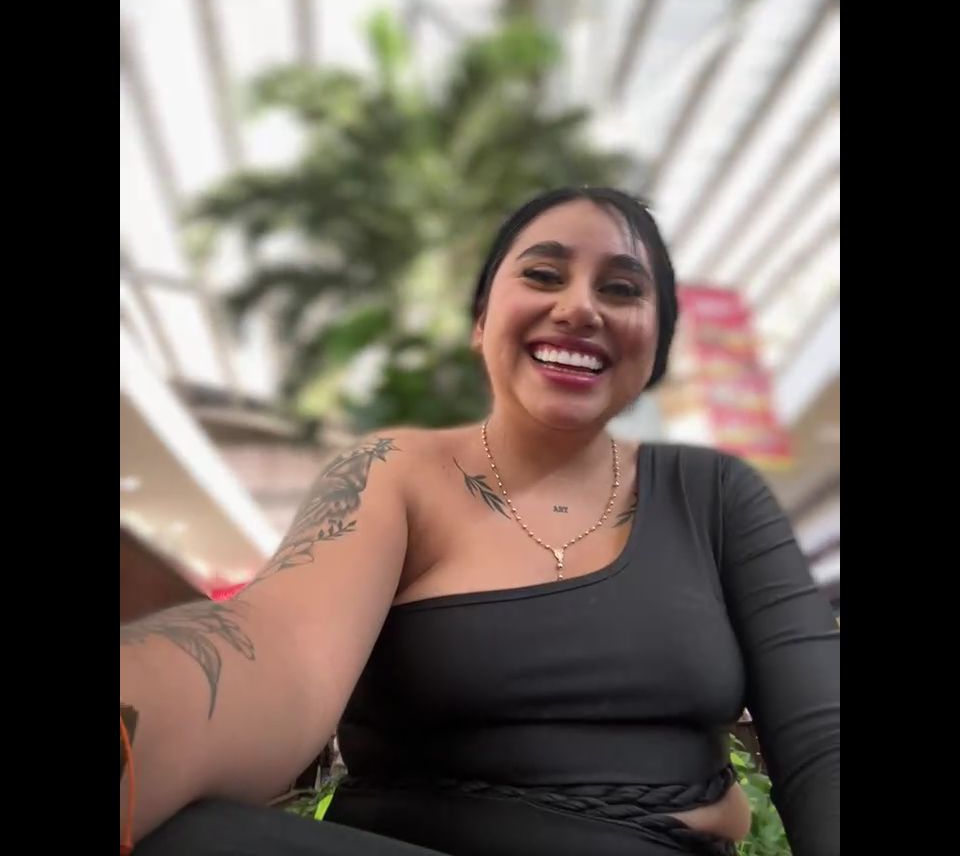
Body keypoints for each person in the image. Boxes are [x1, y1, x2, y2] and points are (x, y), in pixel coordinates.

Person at [120, 187, 839, 856]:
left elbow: (822, 736)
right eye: (543, 275)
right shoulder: (393, 473)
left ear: (655, 344)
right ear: (480, 321)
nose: (580, 308)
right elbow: (275, 650)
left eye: (622, 289)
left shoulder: (714, 494)